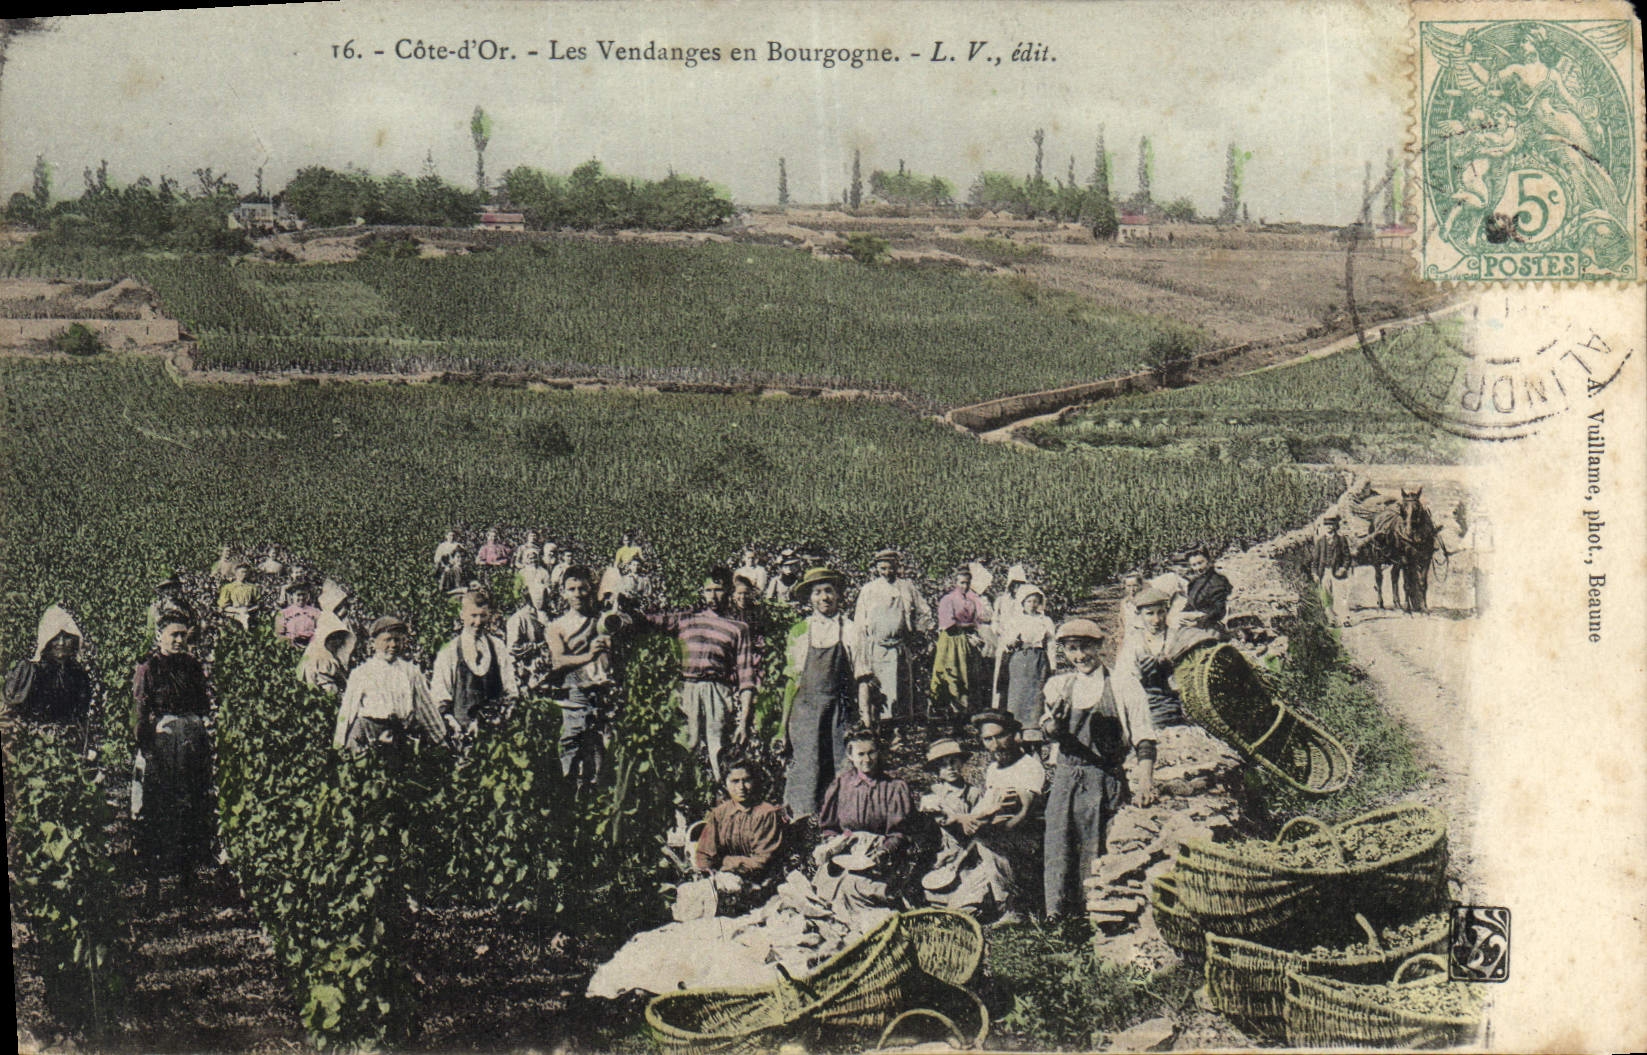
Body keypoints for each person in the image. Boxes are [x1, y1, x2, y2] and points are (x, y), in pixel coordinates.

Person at [1040, 619, 1157, 918]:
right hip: (1067, 776)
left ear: (1100, 646)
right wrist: (1052, 726)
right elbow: (1050, 733)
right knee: (1059, 844)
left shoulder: (1122, 685)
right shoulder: (1059, 686)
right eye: (1073, 649)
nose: (1080, 656)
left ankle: (1099, 915)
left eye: (1087, 648)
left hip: (1104, 778)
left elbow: (1144, 736)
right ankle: (1059, 918)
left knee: (1099, 847)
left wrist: (1145, 781)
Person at [643, 567, 759, 783]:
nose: (713, 596)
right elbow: (649, 621)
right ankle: (684, 806)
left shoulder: (738, 628)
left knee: (719, 749)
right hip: (687, 688)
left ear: (729, 592)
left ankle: (721, 801)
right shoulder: (686, 620)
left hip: (718, 690)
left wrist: (744, 721)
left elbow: (746, 677)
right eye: (708, 590)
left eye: (718, 590)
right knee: (686, 747)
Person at [132, 615, 216, 906]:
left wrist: (203, 724)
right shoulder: (149, 668)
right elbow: (140, 710)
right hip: (162, 740)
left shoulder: (192, 666)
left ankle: (187, 878)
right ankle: (152, 883)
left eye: (183, 635)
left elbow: (203, 703)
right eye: (173, 635)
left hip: (190, 738)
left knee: (189, 806)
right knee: (155, 807)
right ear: (159, 635)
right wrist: (146, 744)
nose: (179, 641)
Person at [927, 713, 1045, 922]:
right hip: (994, 842)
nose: (995, 745)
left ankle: (1015, 908)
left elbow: (1025, 813)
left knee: (986, 842)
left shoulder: (1028, 766)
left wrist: (993, 831)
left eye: (1000, 736)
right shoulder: (993, 770)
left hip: (1025, 840)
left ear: (1014, 735)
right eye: (988, 739)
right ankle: (997, 904)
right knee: (958, 908)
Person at [776, 567, 861, 818]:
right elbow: (792, 682)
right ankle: (801, 823)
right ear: (809, 599)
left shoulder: (850, 629)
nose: (824, 597)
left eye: (828, 591)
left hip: (838, 709)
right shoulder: (799, 631)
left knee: (841, 765)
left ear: (838, 595)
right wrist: (783, 728)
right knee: (806, 766)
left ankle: (842, 820)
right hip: (805, 711)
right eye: (817, 593)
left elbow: (863, 677)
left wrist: (863, 716)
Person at [815, 728, 918, 911]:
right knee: (825, 889)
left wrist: (884, 851)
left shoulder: (893, 787)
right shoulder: (841, 785)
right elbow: (829, 827)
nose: (867, 760)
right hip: (845, 851)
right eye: (860, 754)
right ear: (850, 756)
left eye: (871, 753)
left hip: (879, 854)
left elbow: (899, 832)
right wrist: (834, 844)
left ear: (879, 752)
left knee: (854, 886)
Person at [545, 566, 622, 793]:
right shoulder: (556, 626)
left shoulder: (604, 621)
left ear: (591, 590)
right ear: (563, 592)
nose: (577, 594)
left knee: (602, 753)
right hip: (574, 694)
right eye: (572, 589)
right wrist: (589, 655)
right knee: (572, 747)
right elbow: (558, 660)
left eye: (582, 589)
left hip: (603, 693)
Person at [851, 548, 933, 747]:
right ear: (877, 568)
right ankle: (879, 733)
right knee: (881, 691)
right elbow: (860, 622)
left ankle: (899, 733)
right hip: (878, 648)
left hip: (900, 647)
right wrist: (861, 650)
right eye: (883, 568)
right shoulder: (869, 590)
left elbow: (924, 611)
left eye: (891, 568)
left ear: (897, 568)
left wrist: (919, 632)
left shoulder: (906, 587)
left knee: (902, 691)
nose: (887, 572)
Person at [334, 616, 448, 754]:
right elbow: (347, 711)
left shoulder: (411, 672)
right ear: (372, 643)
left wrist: (441, 739)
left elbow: (426, 708)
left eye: (398, 640)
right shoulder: (361, 673)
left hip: (398, 733)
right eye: (387, 640)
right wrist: (339, 745)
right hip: (367, 733)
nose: (393, 645)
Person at [1113, 588, 1216, 729]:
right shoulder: (1134, 643)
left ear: (1167, 611)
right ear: (1139, 615)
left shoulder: (1177, 637)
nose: (1156, 620)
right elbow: (1124, 681)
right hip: (1149, 703)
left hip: (1181, 701)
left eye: (1161, 612)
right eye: (1149, 614)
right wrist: (1143, 675)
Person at [693, 762, 786, 908]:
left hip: (761, 883)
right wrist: (708, 871)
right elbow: (705, 854)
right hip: (725, 878)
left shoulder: (765, 813)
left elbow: (761, 861)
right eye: (735, 781)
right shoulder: (719, 813)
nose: (741, 787)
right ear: (725, 784)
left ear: (754, 781)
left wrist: (725, 862)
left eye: (746, 780)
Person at [431, 589, 519, 737]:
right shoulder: (449, 652)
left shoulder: (497, 647)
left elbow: (510, 688)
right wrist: (453, 726)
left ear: (489, 615)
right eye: (473, 616)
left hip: (495, 735)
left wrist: (506, 713)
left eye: (483, 616)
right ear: (462, 615)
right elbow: (440, 696)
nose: (478, 622)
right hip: (462, 733)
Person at [5, 605, 95, 740]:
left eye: (66, 637)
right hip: (35, 745)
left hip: (70, 747)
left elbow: (82, 718)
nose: (61, 643)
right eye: (55, 638)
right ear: (46, 641)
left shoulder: (79, 675)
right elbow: (11, 713)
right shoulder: (31, 671)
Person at [931, 565, 991, 725]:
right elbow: (948, 624)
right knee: (952, 674)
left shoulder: (971, 601)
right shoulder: (948, 599)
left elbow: (979, 620)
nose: (964, 586)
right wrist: (969, 625)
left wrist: (972, 630)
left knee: (969, 676)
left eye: (967, 583)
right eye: (962, 582)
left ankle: (965, 714)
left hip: (965, 641)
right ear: (955, 582)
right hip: (951, 642)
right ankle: (951, 714)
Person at [995, 583, 1054, 727]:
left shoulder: (1045, 621)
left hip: (1038, 658)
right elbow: (1006, 641)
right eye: (1029, 601)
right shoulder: (1015, 620)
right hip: (1020, 659)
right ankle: (1016, 723)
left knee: (1037, 691)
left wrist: (1054, 663)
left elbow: (1054, 643)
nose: (1032, 605)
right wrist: (1012, 641)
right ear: (1022, 602)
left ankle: (1034, 724)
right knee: (1019, 692)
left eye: (1035, 601)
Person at [505, 575, 554, 693]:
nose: (541, 600)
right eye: (537, 596)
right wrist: (535, 647)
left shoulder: (544, 616)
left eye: (543, 596)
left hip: (542, 666)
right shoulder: (518, 619)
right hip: (524, 669)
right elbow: (513, 648)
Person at [297, 612, 355, 696]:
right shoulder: (321, 659)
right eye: (334, 638)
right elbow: (329, 690)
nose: (337, 641)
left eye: (339, 637)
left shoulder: (326, 652)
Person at [1313, 514, 1354, 626]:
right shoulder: (1320, 542)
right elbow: (1315, 560)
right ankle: (1331, 620)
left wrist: (1343, 568)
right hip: (1324, 572)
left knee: (1341, 596)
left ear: (1335, 526)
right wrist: (1315, 573)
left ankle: (1345, 619)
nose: (1329, 527)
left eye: (1331, 525)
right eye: (1326, 525)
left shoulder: (1341, 540)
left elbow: (1347, 557)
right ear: (1323, 527)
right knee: (1326, 597)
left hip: (1338, 572)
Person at [1183, 548, 1232, 631]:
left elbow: (1219, 610)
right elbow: (1190, 604)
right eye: (1194, 565)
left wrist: (1198, 623)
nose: (1198, 568)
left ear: (1208, 561)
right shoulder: (1194, 582)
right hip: (1196, 622)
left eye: (1200, 563)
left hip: (1211, 624)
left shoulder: (1218, 581)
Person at [217, 562, 258, 630]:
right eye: (242, 572)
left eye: (246, 572)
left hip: (249, 614)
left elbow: (257, 604)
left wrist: (249, 609)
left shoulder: (252, 587)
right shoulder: (228, 587)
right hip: (232, 615)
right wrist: (238, 610)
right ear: (236, 573)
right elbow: (223, 606)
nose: (243, 574)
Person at [434, 531, 467, 595]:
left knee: (457, 569)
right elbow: (437, 558)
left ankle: (458, 587)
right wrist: (443, 564)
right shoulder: (442, 545)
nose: (451, 537)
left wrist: (458, 561)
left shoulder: (457, 545)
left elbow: (463, 553)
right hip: (443, 564)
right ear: (446, 536)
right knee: (447, 571)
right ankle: (445, 589)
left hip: (455, 564)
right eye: (449, 535)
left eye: (452, 535)